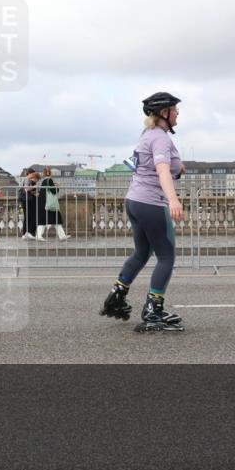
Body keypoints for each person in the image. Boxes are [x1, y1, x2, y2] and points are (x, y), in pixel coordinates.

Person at [101, 92, 186, 332]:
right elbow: (161, 170)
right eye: (175, 110)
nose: (177, 114)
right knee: (166, 257)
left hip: (134, 200)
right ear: (164, 113)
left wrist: (178, 168)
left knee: (142, 253)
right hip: (151, 203)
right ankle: (153, 311)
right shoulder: (160, 139)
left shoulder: (146, 135)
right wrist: (173, 200)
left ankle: (116, 296)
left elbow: (145, 166)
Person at [36, 167, 69, 241]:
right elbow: (53, 191)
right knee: (55, 220)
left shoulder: (43, 181)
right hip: (49, 204)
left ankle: (61, 235)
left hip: (44, 203)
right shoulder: (49, 180)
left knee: (44, 220)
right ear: (49, 173)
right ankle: (62, 236)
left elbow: (42, 192)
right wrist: (57, 186)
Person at [17, 174, 38, 239]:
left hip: (28, 201)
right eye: (36, 179)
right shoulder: (27, 180)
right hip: (26, 201)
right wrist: (34, 187)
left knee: (29, 217)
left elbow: (28, 191)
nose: (36, 180)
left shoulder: (29, 181)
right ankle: (25, 233)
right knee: (28, 217)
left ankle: (27, 233)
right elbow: (26, 189)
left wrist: (34, 192)